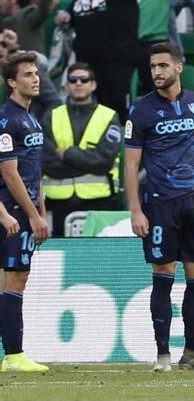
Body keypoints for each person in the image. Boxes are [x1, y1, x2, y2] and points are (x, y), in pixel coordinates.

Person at [124, 42, 194, 372]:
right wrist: (135, 209)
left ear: (178, 67)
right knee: (164, 276)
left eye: (162, 65)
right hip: (159, 206)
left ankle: (193, 352)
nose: (156, 72)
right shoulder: (140, 111)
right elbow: (131, 166)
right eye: (152, 66)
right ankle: (162, 355)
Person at [0, 52, 50, 372]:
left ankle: (12, 355)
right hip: (12, 212)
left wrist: (41, 210)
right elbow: (9, 173)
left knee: (15, 278)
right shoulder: (8, 120)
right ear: (11, 82)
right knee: (16, 278)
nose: (35, 79)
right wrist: (29, 215)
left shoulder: (32, 118)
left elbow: (34, 171)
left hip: (25, 209)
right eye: (28, 74)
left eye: (36, 73)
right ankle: (15, 356)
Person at [41, 62, 122, 234]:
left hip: (99, 201)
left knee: (99, 258)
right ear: (66, 85)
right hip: (60, 203)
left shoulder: (108, 116)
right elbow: (47, 163)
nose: (78, 83)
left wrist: (68, 154)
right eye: (73, 79)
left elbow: (104, 161)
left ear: (93, 85)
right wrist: (88, 163)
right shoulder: (51, 116)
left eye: (84, 80)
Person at [65, 0, 140, 121]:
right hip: (87, 66)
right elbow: (74, 17)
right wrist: (66, 16)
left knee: (116, 112)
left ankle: (121, 148)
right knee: (89, 115)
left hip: (116, 64)